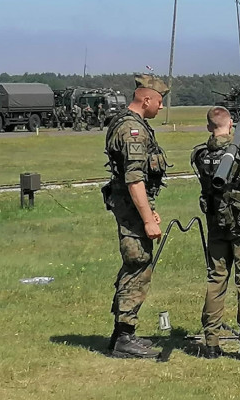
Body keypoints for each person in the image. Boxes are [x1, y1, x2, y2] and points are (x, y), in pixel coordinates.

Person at [191, 106, 240, 361]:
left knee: (216, 279)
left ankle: (211, 343)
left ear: (208, 126)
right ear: (231, 125)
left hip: (216, 224)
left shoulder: (200, 154)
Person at [101, 74, 169, 359]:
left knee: (136, 265)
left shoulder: (129, 123)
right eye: (160, 102)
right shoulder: (133, 131)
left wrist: (148, 210)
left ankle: (122, 335)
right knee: (137, 265)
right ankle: (124, 337)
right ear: (147, 99)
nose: (161, 108)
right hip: (131, 212)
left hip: (131, 209)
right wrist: (147, 219)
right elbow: (134, 181)